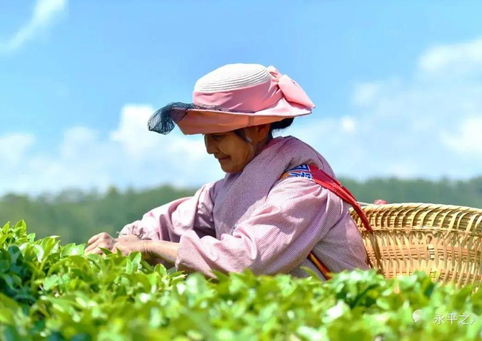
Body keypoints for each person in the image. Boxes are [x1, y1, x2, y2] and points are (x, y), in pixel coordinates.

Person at [85, 63, 371, 279]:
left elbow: (245, 261)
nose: (210, 149)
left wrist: (147, 248)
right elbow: (172, 220)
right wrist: (128, 239)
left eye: (218, 137)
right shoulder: (230, 186)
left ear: (258, 128)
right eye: (205, 137)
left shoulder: (305, 191)